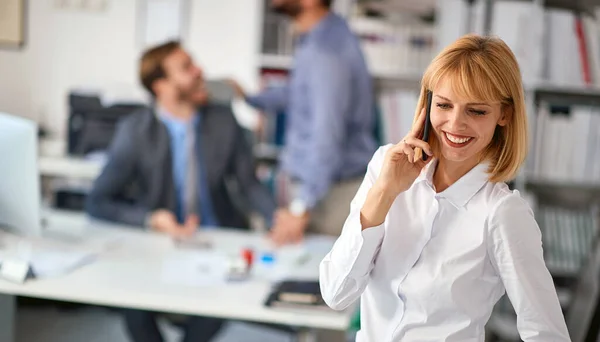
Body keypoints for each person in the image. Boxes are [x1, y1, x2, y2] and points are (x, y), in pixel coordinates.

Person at [319, 34, 571, 341]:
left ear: (504, 114)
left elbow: (547, 333)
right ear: (427, 103)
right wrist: (385, 192)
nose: (455, 123)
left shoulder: (502, 213)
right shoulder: (385, 166)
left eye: (476, 111)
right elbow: (336, 294)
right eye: (443, 104)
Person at [85, 41, 276, 342]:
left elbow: (249, 184)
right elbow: (98, 201)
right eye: (186, 67)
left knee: (215, 308)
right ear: (160, 85)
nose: (200, 70)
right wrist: (150, 219)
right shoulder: (135, 130)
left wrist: (276, 217)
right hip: (158, 246)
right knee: (133, 306)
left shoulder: (223, 121)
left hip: (217, 240)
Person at [230, 0, 377, 245]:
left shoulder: (326, 50)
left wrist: (301, 207)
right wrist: (251, 98)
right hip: (323, 187)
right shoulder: (319, 38)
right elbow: (301, 94)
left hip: (331, 193)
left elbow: (327, 135)